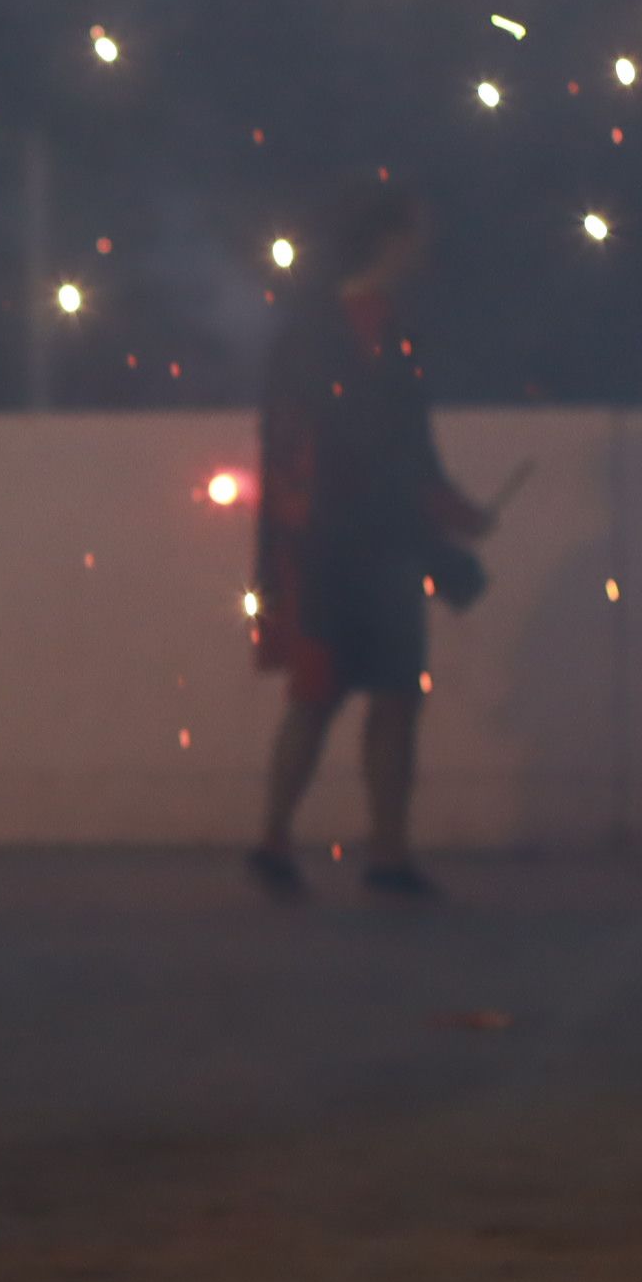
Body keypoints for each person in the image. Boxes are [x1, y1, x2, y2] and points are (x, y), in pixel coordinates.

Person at [247, 183, 493, 903]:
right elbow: (360, 450)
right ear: (387, 241)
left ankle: (384, 850)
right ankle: (276, 839)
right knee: (321, 698)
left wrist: (450, 513)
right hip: (335, 548)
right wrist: (441, 526)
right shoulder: (319, 332)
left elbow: (408, 449)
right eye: (416, 234)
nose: (425, 247)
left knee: (389, 698)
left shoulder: (384, 328)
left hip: (375, 546)